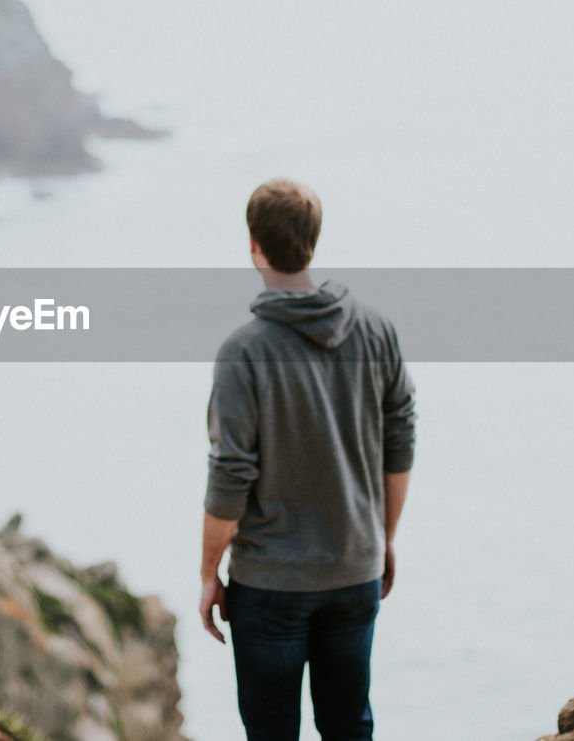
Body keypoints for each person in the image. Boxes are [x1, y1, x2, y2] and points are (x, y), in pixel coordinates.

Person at [199, 179, 417, 741]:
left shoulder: (244, 352)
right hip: (355, 567)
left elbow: (231, 473)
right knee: (350, 728)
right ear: (313, 242)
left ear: (254, 244)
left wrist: (208, 574)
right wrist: (384, 535)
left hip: (270, 583)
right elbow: (401, 439)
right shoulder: (376, 330)